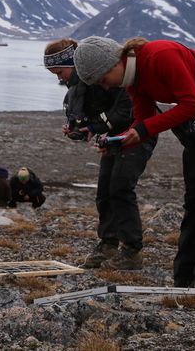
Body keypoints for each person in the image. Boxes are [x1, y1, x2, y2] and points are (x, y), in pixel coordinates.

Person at [73, 36, 195, 298]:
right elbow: (144, 120)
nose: (105, 87)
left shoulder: (160, 55)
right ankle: (184, 278)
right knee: (194, 199)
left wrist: (141, 130)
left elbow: (190, 103)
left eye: (103, 79)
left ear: (115, 63)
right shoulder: (133, 82)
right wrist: (118, 143)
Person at [45, 38, 156, 270]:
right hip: (112, 138)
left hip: (138, 131)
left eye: (60, 71)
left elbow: (127, 107)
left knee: (121, 187)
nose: (59, 78)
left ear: (73, 65)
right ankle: (108, 243)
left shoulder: (106, 73)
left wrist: (95, 127)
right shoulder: (79, 89)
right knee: (105, 191)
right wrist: (79, 130)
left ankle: (131, 250)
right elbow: (87, 119)